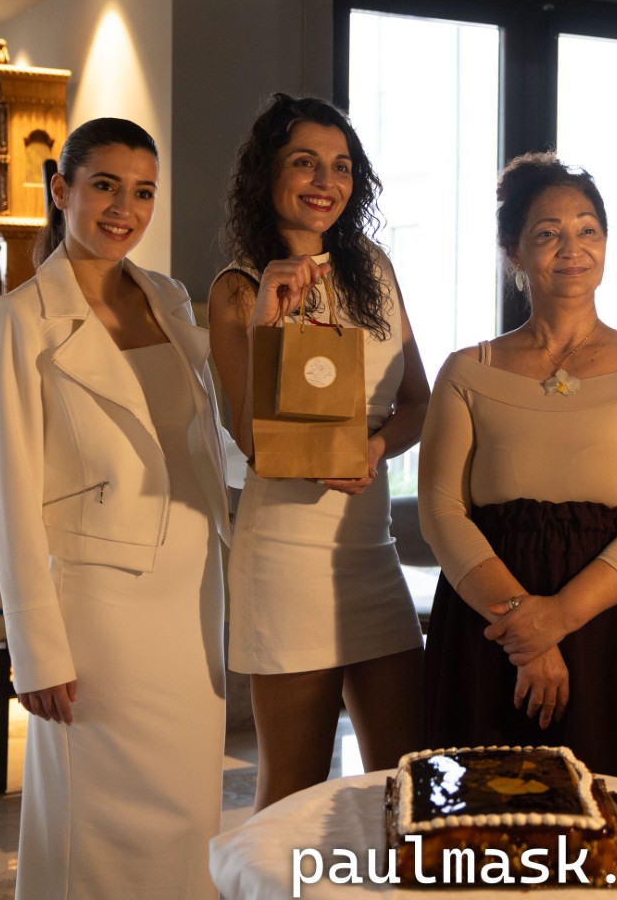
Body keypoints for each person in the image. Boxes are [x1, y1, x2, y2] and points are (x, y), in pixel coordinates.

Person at [0, 117, 233, 899]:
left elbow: (203, 442)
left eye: (143, 192)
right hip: (100, 612)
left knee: (189, 809)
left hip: (194, 593)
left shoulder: (168, 297)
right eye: (105, 186)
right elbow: (10, 494)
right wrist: (37, 650)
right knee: (100, 816)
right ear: (62, 191)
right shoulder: (19, 318)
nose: (126, 209)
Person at [417, 152, 617, 793]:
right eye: (548, 233)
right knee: (482, 821)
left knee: (614, 822)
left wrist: (559, 618)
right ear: (514, 251)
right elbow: (440, 511)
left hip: (614, 631)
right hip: (489, 632)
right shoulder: (466, 371)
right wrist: (528, 631)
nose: (572, 248)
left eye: (587, 229)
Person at [209, 93, 428, 810]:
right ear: (268, 174)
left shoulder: (374, 270)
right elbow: (251, 441)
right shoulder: (239, 288)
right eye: (305, 162)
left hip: (370, 553)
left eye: (341, 166)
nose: (325, 181)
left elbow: (418, 403)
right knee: (294, 790)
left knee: (410, 778)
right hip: (286, 559)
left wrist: (375, 445)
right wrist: (267, 323)